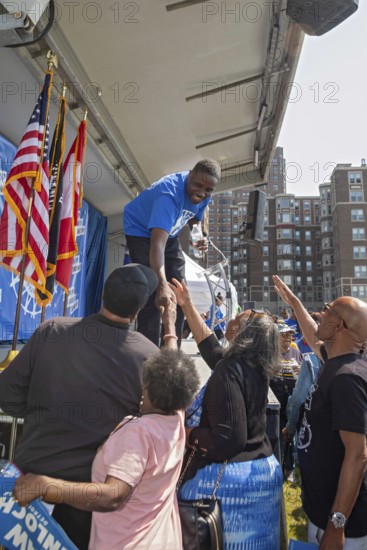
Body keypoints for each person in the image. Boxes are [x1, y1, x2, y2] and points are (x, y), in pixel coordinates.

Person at [13, 305, 200, 550]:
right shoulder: (175, 417)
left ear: (147, 387)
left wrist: (46, 486)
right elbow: (174, 364)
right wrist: (170, 326)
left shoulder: (139, 434)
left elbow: (112, 495)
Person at [0, 264, 160, 549]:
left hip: (28, 489)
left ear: (102, 296)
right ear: (136, 313)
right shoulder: (149, 356)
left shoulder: (52, 330)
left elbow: (7, 396)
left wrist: (43, 412)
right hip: (87, 501)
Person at [170, 279, 283, 549]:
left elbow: (228, 440)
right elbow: (209, 345)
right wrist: (186, 305)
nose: (231, 321)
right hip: (263, 472)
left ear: (245, 334)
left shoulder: (230, 369)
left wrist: (186, 434)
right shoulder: (253, 365)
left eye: (238, 320)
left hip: (232, 484)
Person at [273, 274, 367, 550]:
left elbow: (358, 454)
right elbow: (312, 332)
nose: (321, 313)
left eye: (327, 309)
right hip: (323, 512)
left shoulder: (347, 378)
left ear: (338, 325)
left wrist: (337, 525)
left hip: (344, 527)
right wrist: (293, 301)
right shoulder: (336, 360)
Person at [123, 159, 221, 346]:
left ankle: (172, 348)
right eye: (198, 186)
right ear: (190, 174)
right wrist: (161, 284)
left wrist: (196, 235)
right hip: (140, 231)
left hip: (170, 233)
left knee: (179, 291)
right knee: (154, 291)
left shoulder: (205, 191)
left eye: (208, 190)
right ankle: (148, 351)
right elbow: (156, 246)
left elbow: (193, 218)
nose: (202, 193)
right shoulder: (168, 195)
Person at [270, 322, 302, 480]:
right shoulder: (270, 353)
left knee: (291, 434)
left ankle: (289, 467)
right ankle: (278, 467)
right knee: (279, 433)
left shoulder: (295, 351)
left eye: (290, 335)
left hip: (292, 397)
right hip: (276, 399)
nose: (287, 338)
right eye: (284, 335)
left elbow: (303, 369)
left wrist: (300, 370)